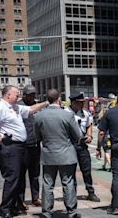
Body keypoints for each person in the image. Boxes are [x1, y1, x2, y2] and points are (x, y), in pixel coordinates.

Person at [0, 85, 49, 218]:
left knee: (18, 178)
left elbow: (31, 109)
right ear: (8, 95)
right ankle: (5, 209)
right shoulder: (0, 107)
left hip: (20, 147)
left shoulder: (15, 107)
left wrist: (47, 102)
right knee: (12, 178)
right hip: (9, 146)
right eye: (16, 95)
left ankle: (13, 206)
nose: (18, 97)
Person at [34, 89, 83, 218]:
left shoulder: (39, 116)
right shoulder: (67, 115)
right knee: (68, 183)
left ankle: (46, 212)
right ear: (59, 98)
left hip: (48, 154)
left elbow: (37, 136)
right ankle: (71, 212)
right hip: (66, 153)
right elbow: (77, 135)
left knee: (47, 184)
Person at [65, 93, 100, 202]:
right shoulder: (65, 113)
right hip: (70, 145)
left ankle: (90, 192)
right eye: (80, 103)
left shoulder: (85, 113)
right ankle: (72, 194)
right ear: (74, 103)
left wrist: (89, 135)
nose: (82, 105)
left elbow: (89, 125)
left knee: (86, 169)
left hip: (82, 145)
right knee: (70, 171)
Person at [17, 85, 42, 207]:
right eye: (30, 95)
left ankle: (35, 197)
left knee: (35, 174)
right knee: (21, 175)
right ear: (24, 95)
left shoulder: (37, 107)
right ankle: (20, 200)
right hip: (23, 146)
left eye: (34, 95)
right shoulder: (19, 106)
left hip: (35, 144)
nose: (32, 97)